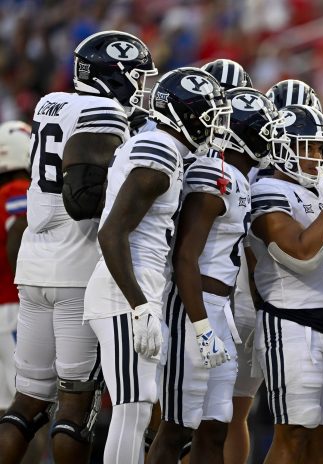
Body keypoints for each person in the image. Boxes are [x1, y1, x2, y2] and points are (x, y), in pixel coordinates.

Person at [0, 30, 155, 464]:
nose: (141, 87)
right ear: (114, 75)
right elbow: (83, 195)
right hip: (77, 266)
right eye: (136, 76)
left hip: (33, 265)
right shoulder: (106, 110)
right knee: (76, 403)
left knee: (26, 403)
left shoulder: (51, 102)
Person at [82, 67, 230, 464]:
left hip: (135, 283)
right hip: (126, 287)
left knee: (139, 407)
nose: (213, 125)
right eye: (207, 115)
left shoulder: (163, 147)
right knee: (134, 406)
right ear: (183, 113)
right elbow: (111, 233)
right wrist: (140, 304)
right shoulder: (160, 150)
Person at [149, 87, 283, 464]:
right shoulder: (213, 173)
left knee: (216, 426)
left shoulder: (236, 176)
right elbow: (186, 257)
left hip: (220, 308)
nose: (269, 138)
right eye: (263, 129)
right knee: (176, 427)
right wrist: (201, 324)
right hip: (195, 308)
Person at [249, 104, 323, 464]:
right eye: (305, 147)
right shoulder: (267, 190)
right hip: (289, 323)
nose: (315, 157)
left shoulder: (315, 192)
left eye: (319, 149)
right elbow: (299, 255)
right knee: (293, 435)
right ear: (281, 147)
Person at [0, 121, 31, 413]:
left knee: (4, 408)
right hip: (12, 307)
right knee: (27, 409)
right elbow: (17, 235)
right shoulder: (18, 191)